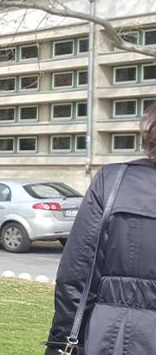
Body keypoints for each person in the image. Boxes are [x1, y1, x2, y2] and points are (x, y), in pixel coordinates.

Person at [44, 102, 156, 355]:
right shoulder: (112, 181)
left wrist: (59, 343)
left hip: (117, 337)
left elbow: (76, 278)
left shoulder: (115, 181)